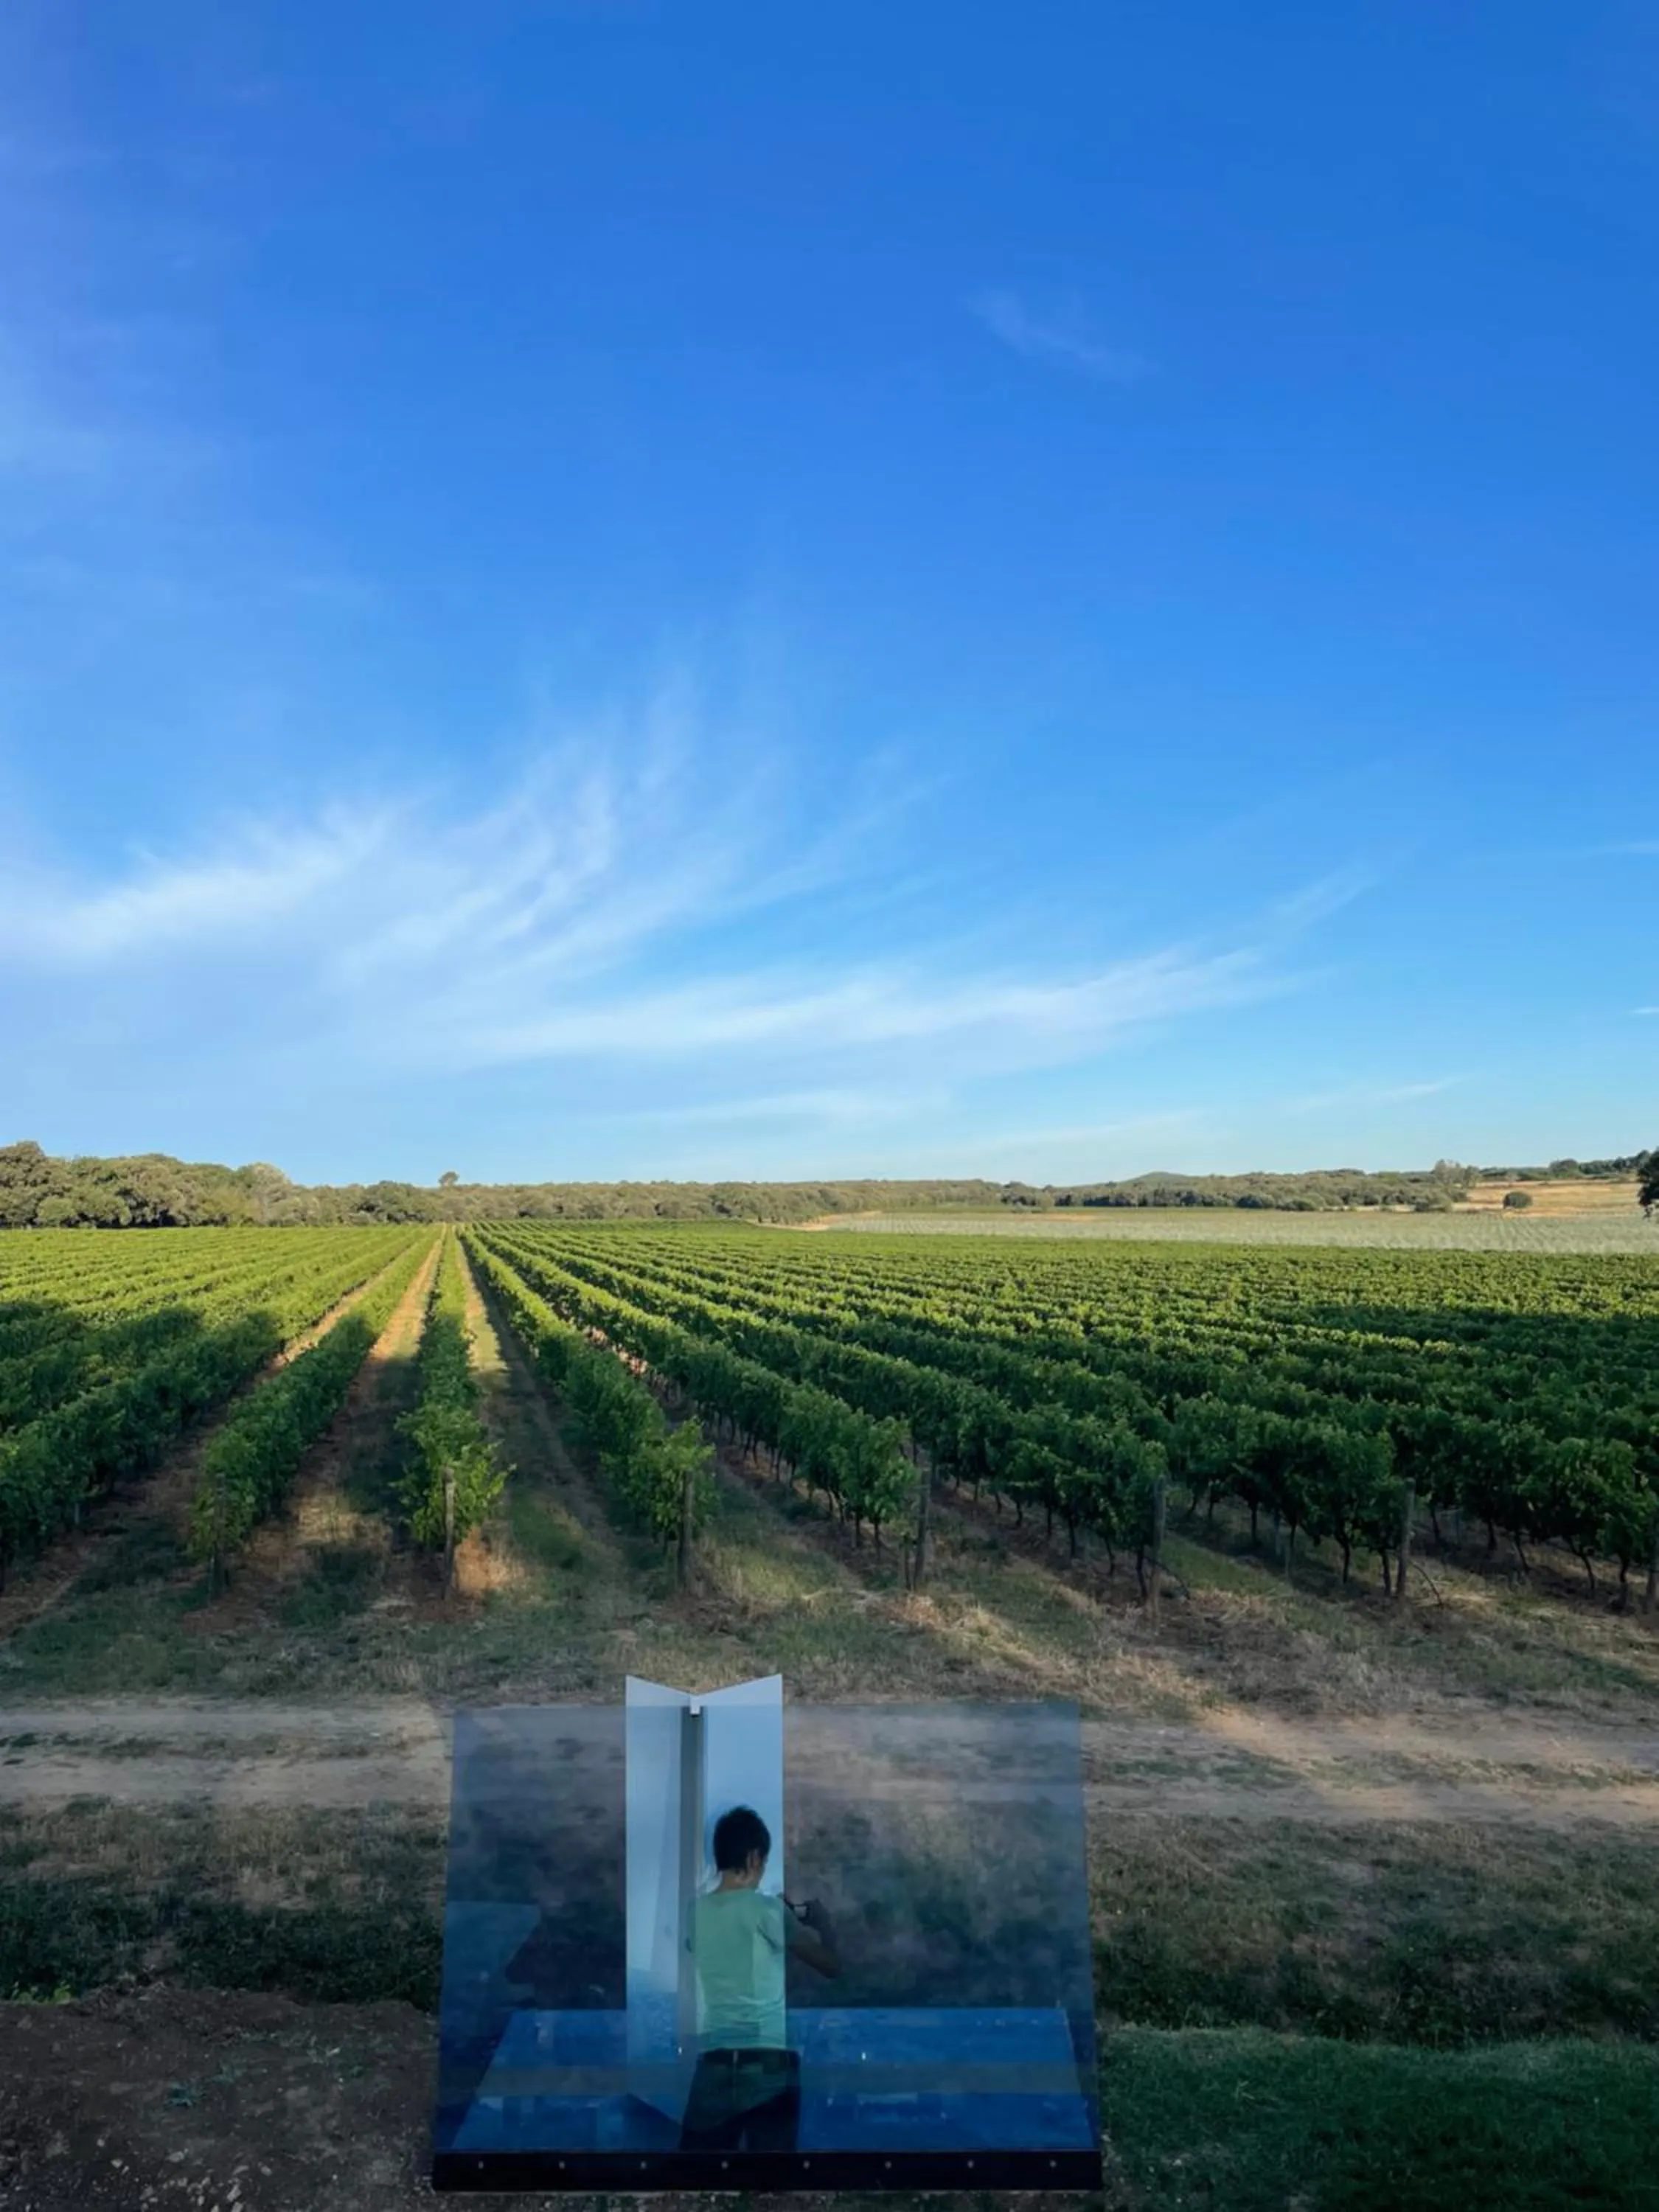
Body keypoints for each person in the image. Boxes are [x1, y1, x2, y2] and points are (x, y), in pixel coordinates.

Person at [678, 1804, 838, 2152]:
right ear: (753, 1858)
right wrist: (822, 1923)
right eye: (764, 1862)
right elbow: (830, 1966)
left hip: (716, 2065)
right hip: (768, 2068)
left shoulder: (696, 1913)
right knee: (771, 2184)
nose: (764, 1870)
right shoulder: (768, 1912)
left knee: (697, 2179)